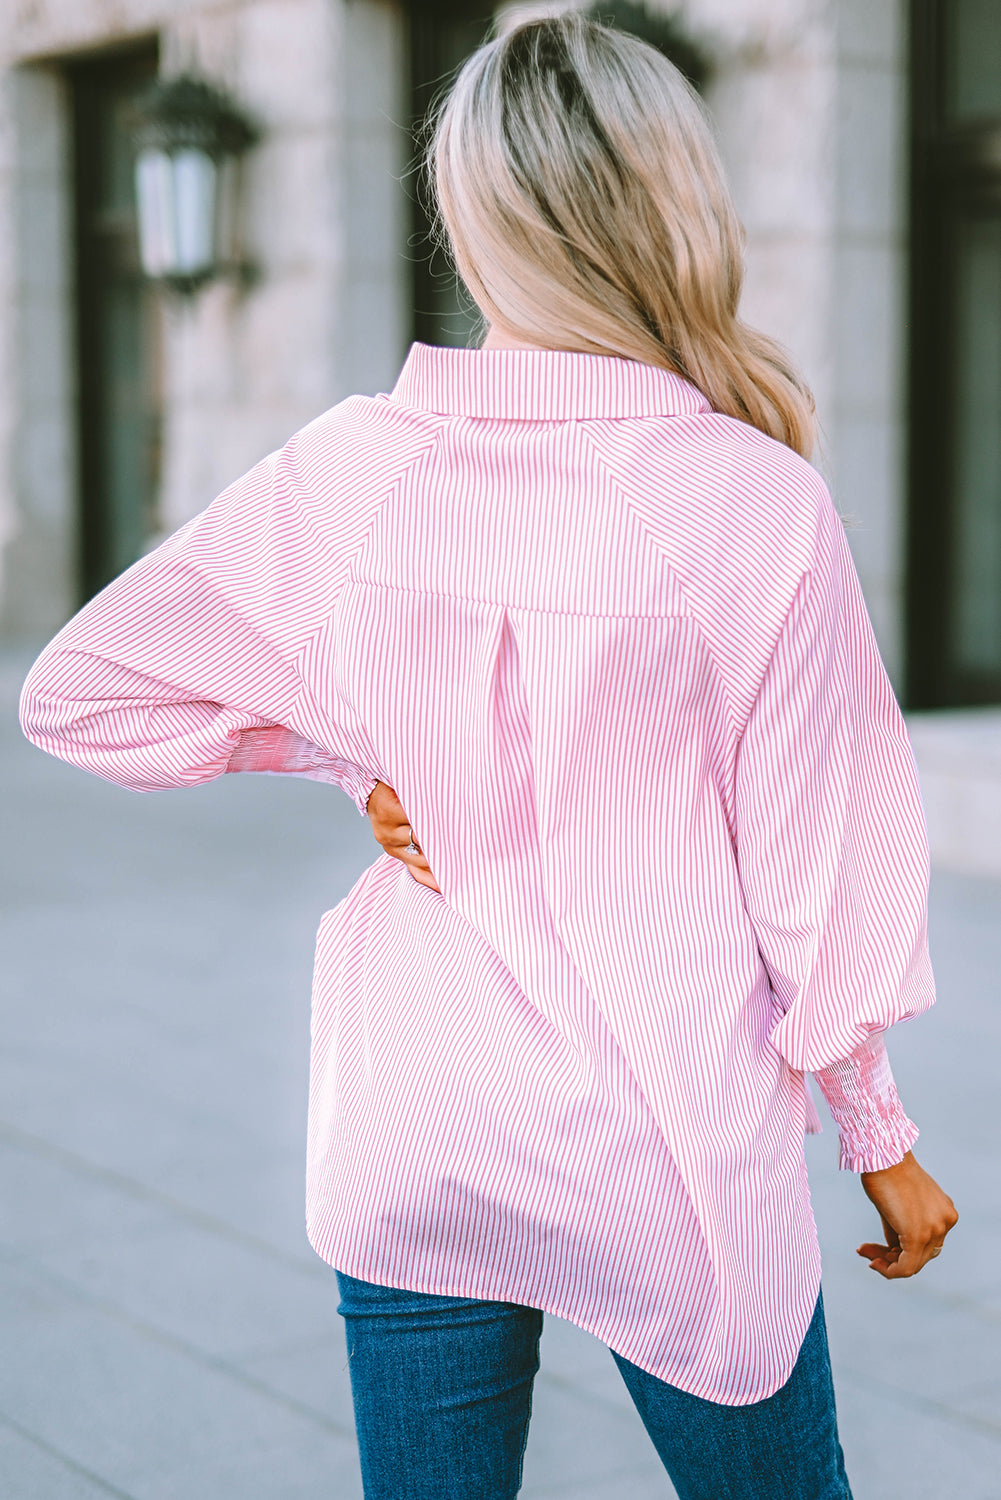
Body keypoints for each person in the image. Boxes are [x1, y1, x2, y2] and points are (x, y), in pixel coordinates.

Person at [20, 15, 957, 1500]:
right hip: (667, 1150)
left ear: (471, 222)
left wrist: (348, 757)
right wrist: (878, 1137)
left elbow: (80, 694)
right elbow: (812, 878)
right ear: (673, 207)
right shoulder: (754, 503)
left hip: (420, 1113)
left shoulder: (350, 467)